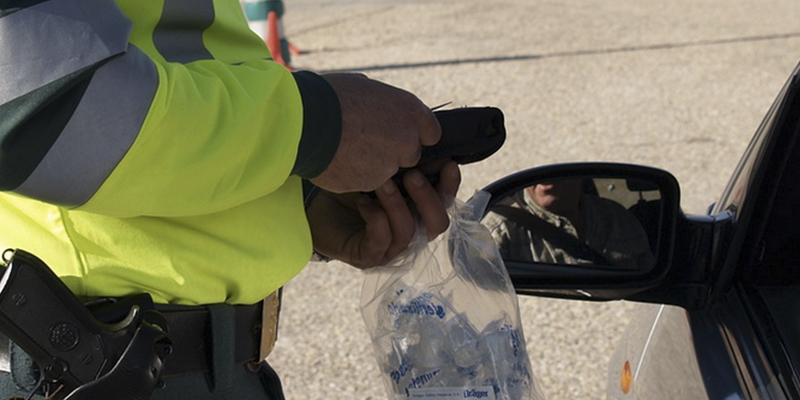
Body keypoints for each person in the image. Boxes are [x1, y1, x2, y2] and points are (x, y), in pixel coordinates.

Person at [0, 1, 460, 399]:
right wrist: (313, 129)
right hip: (78, 367)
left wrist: (297, 199)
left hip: (216, 370)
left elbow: (189, 63)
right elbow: (44, 106)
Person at [482, 179, 655, 270]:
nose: (546, 178)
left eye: (553, 168)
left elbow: (646, 275)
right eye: (537, 170)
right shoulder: (499, 231)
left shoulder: (615, 217)